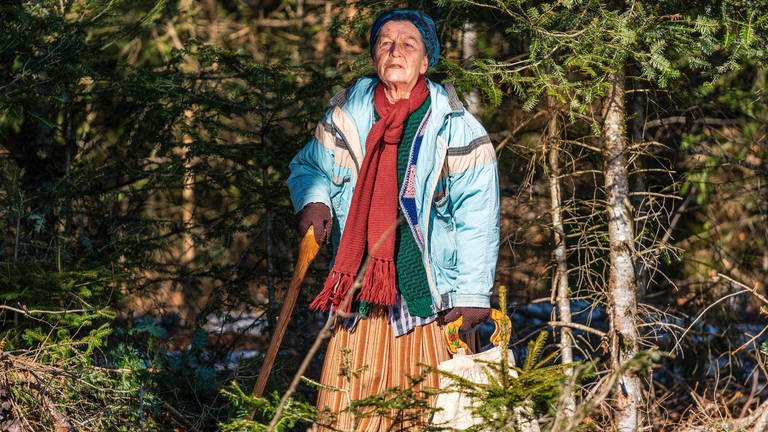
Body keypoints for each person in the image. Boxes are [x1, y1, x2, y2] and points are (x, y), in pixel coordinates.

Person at [287, 9, 500, 431]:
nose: (395, 51)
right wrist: (314, 201)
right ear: (373, 57)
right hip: (361, 293)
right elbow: (310, 167)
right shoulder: (348, 114)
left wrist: (474, 293)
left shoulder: (455, 126)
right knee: (347, 414)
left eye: (408, 44)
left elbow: (478, 214)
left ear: (426, 62)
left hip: (430, 298)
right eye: (385, 43)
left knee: (428, 411)